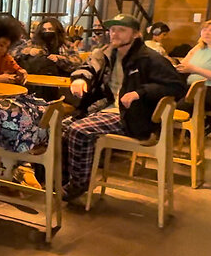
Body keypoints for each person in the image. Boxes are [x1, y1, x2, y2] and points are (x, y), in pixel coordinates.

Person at [63, 14, 187, 200]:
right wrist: (80, 78)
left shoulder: (149, 58)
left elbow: (177, 86)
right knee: (60, 125)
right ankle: (60, 179)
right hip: (105, 108)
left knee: (79, 130)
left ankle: (78, 185)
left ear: (136, 34)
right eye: (113, 29)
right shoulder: (107, 52)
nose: (115, 34)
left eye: (122, 30)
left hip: (135, 117)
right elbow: (89, 67)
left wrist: (140, 92)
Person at [15, 17, 82, 77]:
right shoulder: (33, 43)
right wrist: (29, 51)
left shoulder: (67, 45)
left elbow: (77, 63)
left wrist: (59, 59)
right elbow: (14, 53)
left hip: (60, 79)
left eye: (50, 29)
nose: (47, 32)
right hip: (38, 78)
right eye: (44, 30)